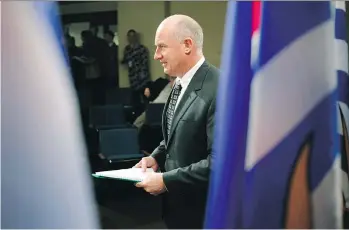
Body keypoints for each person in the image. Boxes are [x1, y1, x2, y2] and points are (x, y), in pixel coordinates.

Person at [133, 14, 219, 229]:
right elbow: (176, 133)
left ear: (187, 45)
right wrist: (156, 157)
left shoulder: (219, 88)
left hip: (204, 213)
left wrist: (165, 180)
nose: (156, 55)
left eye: (162, 47)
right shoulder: (180, 83)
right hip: (178, 210)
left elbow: (220, 161)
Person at [121, 29, 151, 108]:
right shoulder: (127, 49)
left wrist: (142, 74)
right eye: (129, 36)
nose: (131, 38)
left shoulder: (142, 48)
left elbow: (144, 63)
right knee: (135, 101)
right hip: (132, 79)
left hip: (143, 79)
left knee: (145, 99)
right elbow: (125, 61)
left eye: (133, 36)